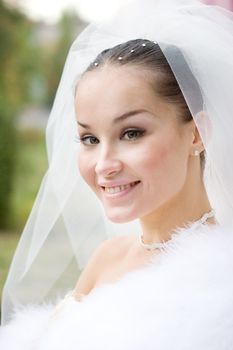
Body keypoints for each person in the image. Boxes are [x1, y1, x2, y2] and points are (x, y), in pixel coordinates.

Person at [1, 0, 233, 349]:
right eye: (89, 139)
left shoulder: (222, 276)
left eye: (132, 133)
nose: (103, 164)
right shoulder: (108, 257)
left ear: (197, 134)